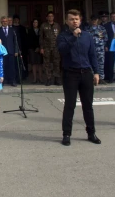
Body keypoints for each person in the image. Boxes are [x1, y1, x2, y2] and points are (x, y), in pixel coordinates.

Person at [57, 9, 101, 147]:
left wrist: (96, 72)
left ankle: (91, 133)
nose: (74, 21)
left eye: (76, 19)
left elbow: (92, 55)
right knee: (70, 105)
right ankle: (66, 134)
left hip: (86, 73)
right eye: (71, 19)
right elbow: (62, 50)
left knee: (88, 105)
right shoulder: (63, 36)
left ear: (80, 20)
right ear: (66, 21)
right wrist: (72, 37)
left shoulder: (87, 36)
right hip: (70, 74)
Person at [0, 16, 19, 86]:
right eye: (3, 21)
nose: (4, 22)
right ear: (1, 22)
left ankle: (12, 80)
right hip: (2, 52)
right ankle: (2, 80)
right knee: (2, 66)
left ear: (8, 22)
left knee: (12, 67)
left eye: (6, 21)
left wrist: (16, 51)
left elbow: (15, 41)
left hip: (11, 51)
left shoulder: (13, 30)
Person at [40, 11, 62, 86]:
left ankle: (57, 79)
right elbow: (41, 37)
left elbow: (60, 36)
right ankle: (49, 79)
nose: (50, 17)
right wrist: (41, 47)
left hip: (56, 47)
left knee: (56, 63)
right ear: (47, 17)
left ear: (53, 17)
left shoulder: (57, 25)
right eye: (49, 16)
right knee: (47, 64)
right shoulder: (43, 25)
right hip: (47, 48)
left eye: (51, 16)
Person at [86, 14, 108, 85]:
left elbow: (105, 38)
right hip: (91, 49)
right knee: (91, 64)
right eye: (93, 20)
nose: (94, 21)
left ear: (97, 20)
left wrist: (104, 45)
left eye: (95, 20)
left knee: (101, 64)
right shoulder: (87, 29)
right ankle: (93, 78)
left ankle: (101, 78)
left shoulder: (102, 28)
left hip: (100, 49)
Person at [103, 12, 115, 84]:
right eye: (112, 17)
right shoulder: (106, 26)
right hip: (110, 46)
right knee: (110, 63)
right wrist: (106, 45)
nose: (114, 18)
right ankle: (110, 78)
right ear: (110, 18)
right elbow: (105, 36)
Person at [11, 14, 28, 79]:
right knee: (15, 63)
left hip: (22, 48)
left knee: (23, 62)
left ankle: (23, 76)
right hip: (14, 48)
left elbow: (25, 39)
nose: (16, 20)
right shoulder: (11, 28)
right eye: (15, 19)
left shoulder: (22, 28)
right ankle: (15, 77)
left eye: (17, 19)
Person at [27, 18, 43, 84]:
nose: (35, 23)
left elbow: (42, 39)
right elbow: (29, 40)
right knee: (33, 64)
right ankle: (34, 78)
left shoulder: (41, 30)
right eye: (34, 22)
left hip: (40, 48)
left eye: (36, 22)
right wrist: (34, 48)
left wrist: (39, 47)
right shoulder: (29, 30)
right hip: (32, 49)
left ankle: (40, 78)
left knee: (39, 64)